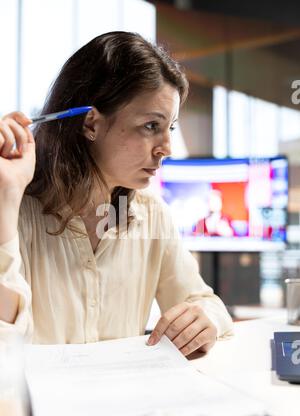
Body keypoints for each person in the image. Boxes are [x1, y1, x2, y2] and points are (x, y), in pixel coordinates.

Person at [0, 31, 233, 354]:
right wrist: (7, 197)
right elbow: (4, 344)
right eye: (152, 126)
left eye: (171, 128)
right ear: (91, 124)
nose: (166, 148)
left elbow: (206, 303)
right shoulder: (16, 211)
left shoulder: (151, 215)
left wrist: (205, 318)